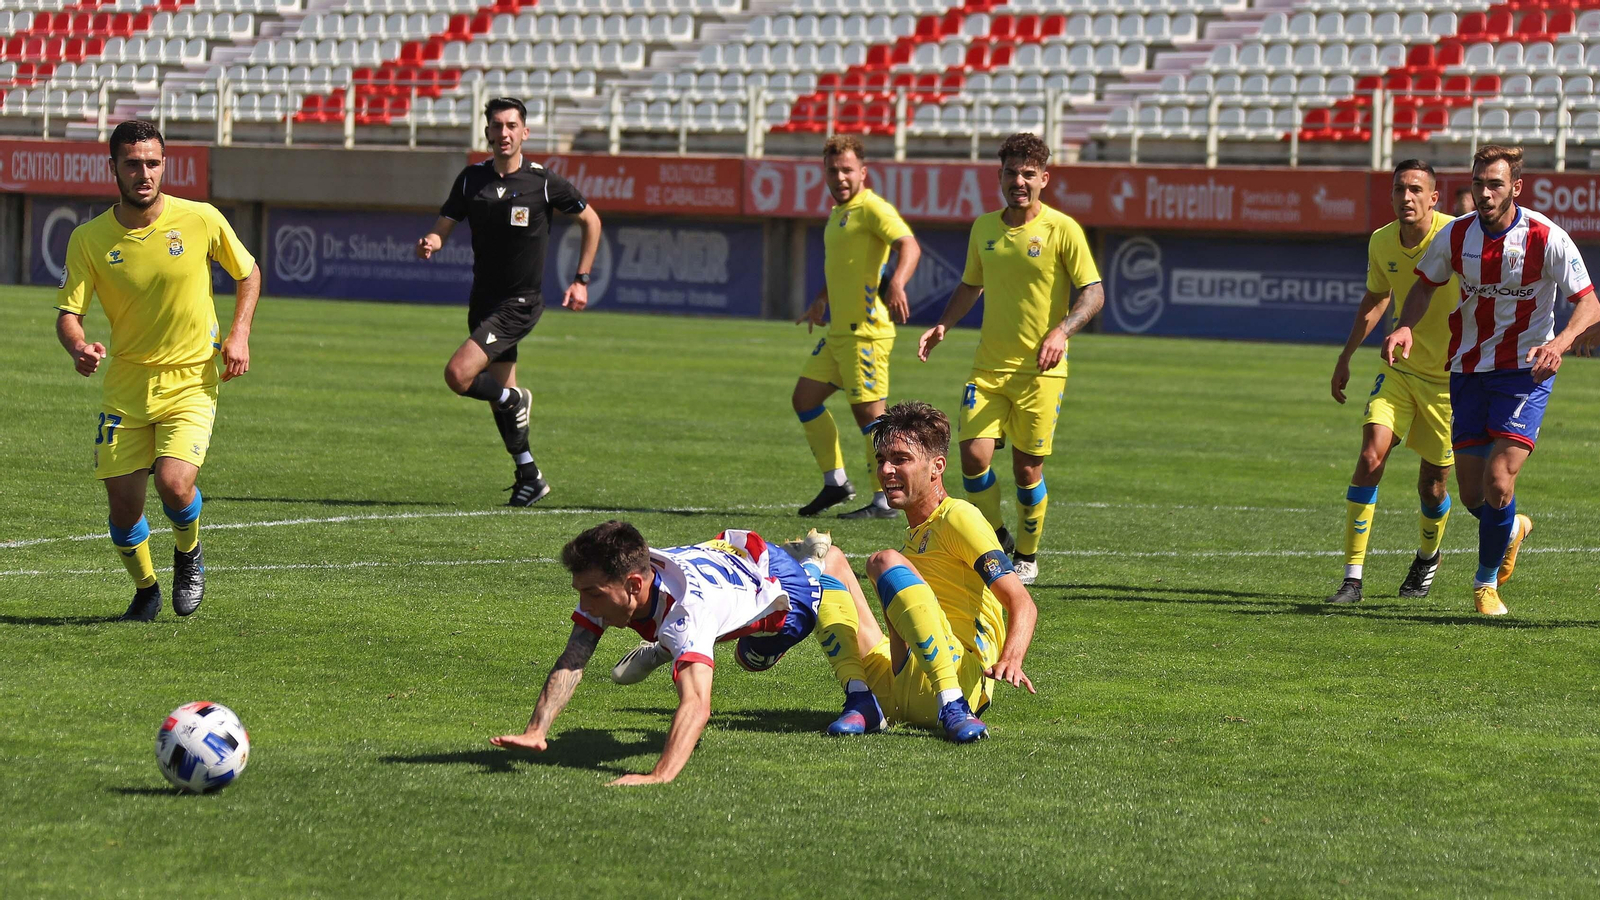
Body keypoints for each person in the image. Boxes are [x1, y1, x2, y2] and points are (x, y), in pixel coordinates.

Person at [53, 120, 261, 622]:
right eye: (132, 163)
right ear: (114, 169)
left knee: (174, 483)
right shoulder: (89, 239)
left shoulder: (201, 219)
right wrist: (78, 346)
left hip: (191, 379)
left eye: (152, 163)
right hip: (126, 385)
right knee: (124, 510)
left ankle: (188, 555)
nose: (143, 173)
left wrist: (239, 334)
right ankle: (146, 589)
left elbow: (248, 272)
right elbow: (68, 315)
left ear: (164, 166)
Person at [1383, 145, 1599, 615]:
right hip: (1467, 370)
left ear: (1515, 188)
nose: (1484, 192)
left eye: (1495, 184)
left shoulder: (1546, 236)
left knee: (1499, 480)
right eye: (1479, 183)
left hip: (1526, 371)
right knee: (1473, 493)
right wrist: (1405, 325)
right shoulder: (1457, 236)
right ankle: (1513, 528)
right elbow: (1424, 286)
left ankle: (1485, 585)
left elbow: (1589, 303)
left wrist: (1558, 345)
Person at [489, 521, 821, 785]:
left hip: (783, 598)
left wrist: (659, 775)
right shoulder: (624, 572)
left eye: (593, 594)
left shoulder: (688, 615)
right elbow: (573, 658)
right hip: (726, 554)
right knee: (683, 634)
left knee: (749, 659)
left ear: (634, 585)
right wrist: (536, 730)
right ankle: (667, 646)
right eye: (581, 592)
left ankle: (812, 565)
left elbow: (696, 705)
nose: (585, 605)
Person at [917, 133, 1103, 585]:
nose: (1018, 181)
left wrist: (1061, 330)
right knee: (973, 461)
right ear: (999, 176)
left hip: (1041, 372)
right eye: (1010, 173)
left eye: (1027, 173)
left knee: (1026, 469)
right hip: (988, 368)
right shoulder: (984, 228)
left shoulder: (1063, 229)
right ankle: (998, 536)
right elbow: (970, 285)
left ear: (1044, 178)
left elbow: (1093, 292)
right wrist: (944, 323)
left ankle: (1027, 554)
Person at [810, 401, 1038, 743]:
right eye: (882, 461)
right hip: (897, 691)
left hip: (959, 680)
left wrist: (1012, 658)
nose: (886, 470)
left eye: (900, 459)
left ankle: (952, 704)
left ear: (937, 467)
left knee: (882, 562)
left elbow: (1022, 600)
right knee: (822, 557)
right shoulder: (913, 539)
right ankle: (859, 699)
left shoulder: (959, 517)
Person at [416, 97, 602, 506]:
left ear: (525, 132)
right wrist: (433, 240)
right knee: (499, 397)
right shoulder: (471, 180)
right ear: (487, 132)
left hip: (519, 303)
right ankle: (529, 475)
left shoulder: (543, 182)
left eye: (511, 126)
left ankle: (514, 400)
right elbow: (444, 224)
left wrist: (581, 279)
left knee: (458, 375)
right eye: (496, 126)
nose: (504, 133)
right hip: (482, 300)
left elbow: (591, 220)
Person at [1326, 160, 1460, 605]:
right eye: (1400, 188)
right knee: (1370, 455)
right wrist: (1346, 357)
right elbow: (1376, 297)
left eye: (1417, 189)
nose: (1407, 197)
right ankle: (1352, 579)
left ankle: (1427, 557)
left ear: (1434, 197)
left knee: (1432, 484)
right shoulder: (1381, 240)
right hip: (1400, 369)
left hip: (1450, 381)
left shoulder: (1457, 236)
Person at [793, 135, 921, 519]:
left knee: (872, 417)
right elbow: (842, 268)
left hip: (866, 332)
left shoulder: (872, 208)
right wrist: (820, 299)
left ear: (863, 172)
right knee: (804, 400)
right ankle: (835, 483)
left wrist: (897, 282)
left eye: (847, 169)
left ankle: (886, 499)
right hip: (838, 334)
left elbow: (909, 245)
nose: (840, 176)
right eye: (833, 170)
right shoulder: (839, 213)